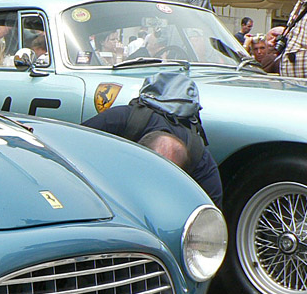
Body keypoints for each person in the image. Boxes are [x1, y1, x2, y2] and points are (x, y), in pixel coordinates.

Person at [82, 72, 222, 206]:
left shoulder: (200, 159)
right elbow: (68, 150)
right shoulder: (121, 120)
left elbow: (210, 213)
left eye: (163, 180)